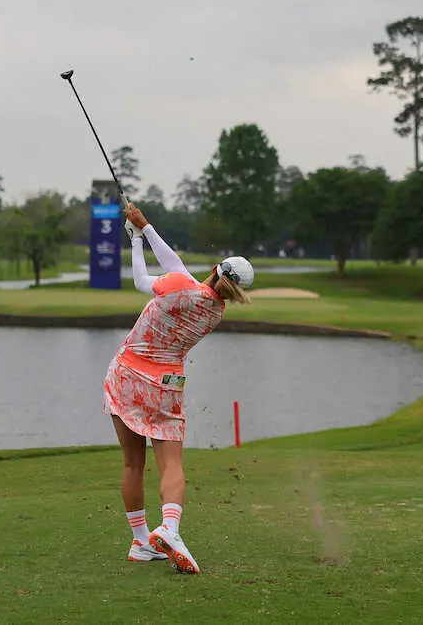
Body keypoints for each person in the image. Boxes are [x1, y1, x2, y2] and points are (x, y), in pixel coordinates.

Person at [102, 201, 254, 575]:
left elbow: (143, 281)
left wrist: (135, 242)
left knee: (132, 463)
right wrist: (145, 227)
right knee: (171, 463)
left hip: (127, 376)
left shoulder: (181, 288)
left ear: (216, 269)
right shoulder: (214, 312)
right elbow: (179, 270)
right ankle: (168, 528)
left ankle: (140, 541)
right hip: (166, 386)